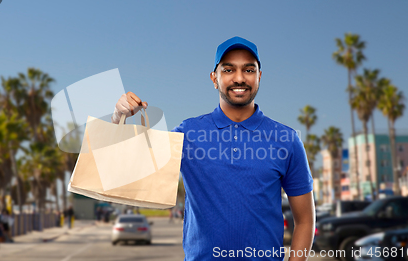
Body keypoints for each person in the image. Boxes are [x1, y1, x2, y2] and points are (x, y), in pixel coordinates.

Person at [111, 36, 315, 261]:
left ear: (259, 76)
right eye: (228, 70)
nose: (239, 78)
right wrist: (118, 117)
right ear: (214, 78)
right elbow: (130, 168)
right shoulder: (188, 133)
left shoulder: (286, 139)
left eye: (248, 70)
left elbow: (305, 220)